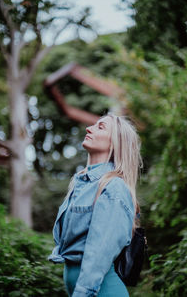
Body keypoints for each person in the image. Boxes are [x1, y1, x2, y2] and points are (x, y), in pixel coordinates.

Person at [48, 113, 143, 297]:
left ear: (115, 143)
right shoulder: (80, 184)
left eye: (100, 127)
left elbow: (99, 253)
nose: (88, 128)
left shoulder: (114, 188)